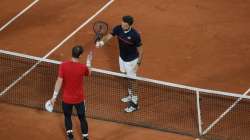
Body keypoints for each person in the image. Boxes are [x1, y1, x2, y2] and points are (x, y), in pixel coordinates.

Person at [96, 15, 143, 113]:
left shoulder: (135, 35)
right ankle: (130, 95)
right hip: (122, 58)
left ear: (129, 25)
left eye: (124, 24)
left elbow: (141, 50)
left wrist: (138, 63)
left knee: (133, 80)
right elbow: (108, 36)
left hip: (131, 61)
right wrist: (101, 42)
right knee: (125, 76)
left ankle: (135, 103)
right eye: (122, 22)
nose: (122, 25)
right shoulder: (118, 28)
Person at [50, 45, 91, 140]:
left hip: (66, 100)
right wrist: (89, 61)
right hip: (79, 100)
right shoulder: (82, 67)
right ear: (80, 56)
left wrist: (54, 97)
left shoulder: (63, 66)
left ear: (72, 53)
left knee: (67, 117)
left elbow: (59, 81)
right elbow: (89, 73)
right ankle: (85, 138)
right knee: (82, 118)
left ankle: (70, 136)